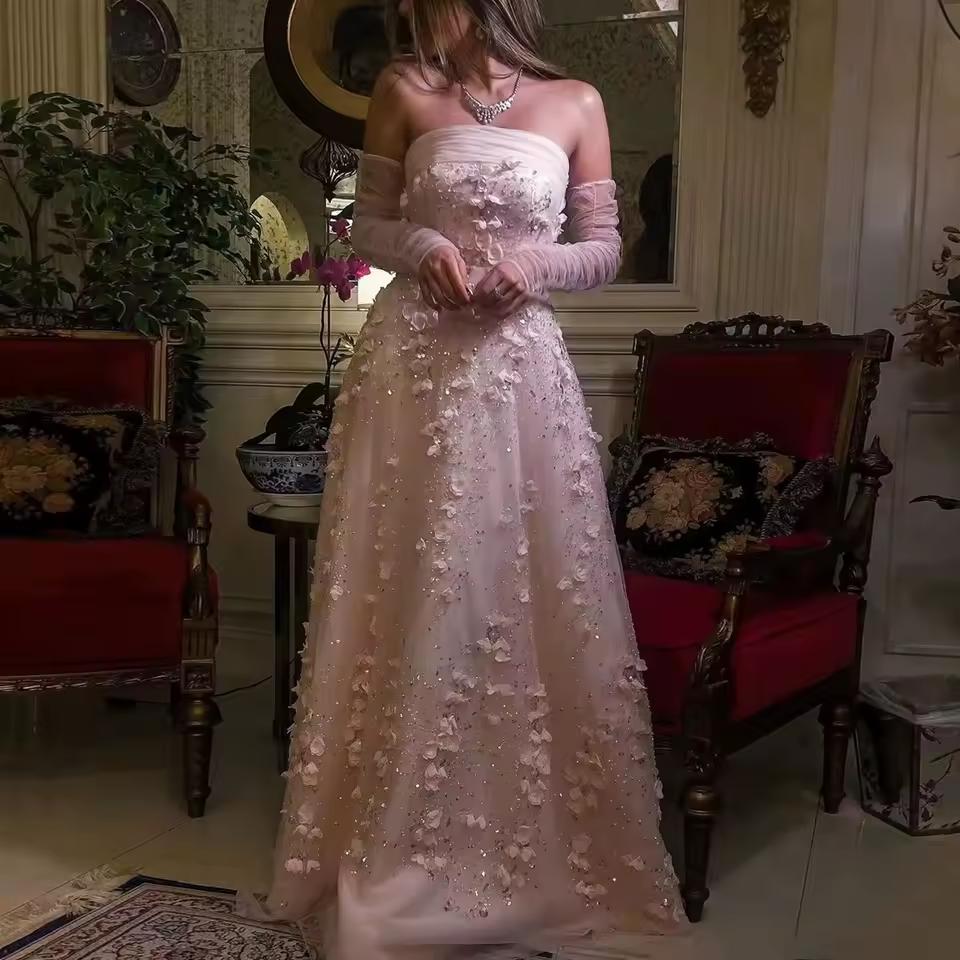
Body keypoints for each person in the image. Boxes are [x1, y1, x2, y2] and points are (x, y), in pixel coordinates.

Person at [244, 1, 685, 956]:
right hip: (414, 365)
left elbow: (604, 247)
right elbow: (368, 222)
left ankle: (516, 837)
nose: (411, 11)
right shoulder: (402, 88)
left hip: (518, 369)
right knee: (410, 579)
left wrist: (535, 264)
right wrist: (423, 247)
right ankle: (398, 835)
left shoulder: (577, 101)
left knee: (518, 584)